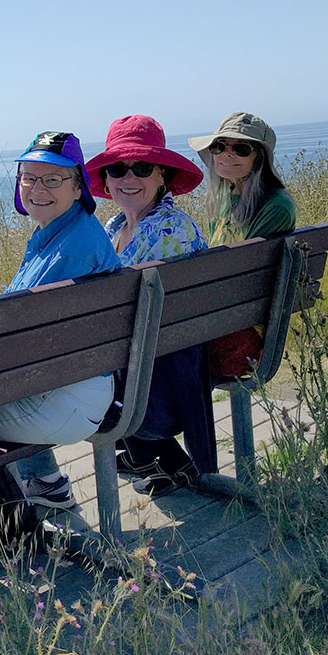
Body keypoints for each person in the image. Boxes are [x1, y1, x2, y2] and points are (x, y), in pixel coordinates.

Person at [0, 131, 121, 509]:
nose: (37, 188)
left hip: (66, 400)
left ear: (78, 188)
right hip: (72, 385)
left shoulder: (71, 250)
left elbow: (11, 338)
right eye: (29, 177)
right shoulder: (62, 232)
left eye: (53, 179)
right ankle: (44, 481)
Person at [85, 114, 213, 495]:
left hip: (160, 381)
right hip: (152, 364)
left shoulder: (168, 230)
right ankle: (152, 458)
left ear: (162, 176)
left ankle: (157, 457)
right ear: (106, 179)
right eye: (117, 168)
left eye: (141, 167)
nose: (128, 177)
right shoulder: (113, 228)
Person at [189, 112, 297, 377]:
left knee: (167, 354)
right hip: (220, 321)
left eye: (240, 149)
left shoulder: (276, 206)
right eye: (219, 146)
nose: (226, 154)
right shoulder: (224, 197)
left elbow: (242, 283)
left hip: (244, 337)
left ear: (258, 158)